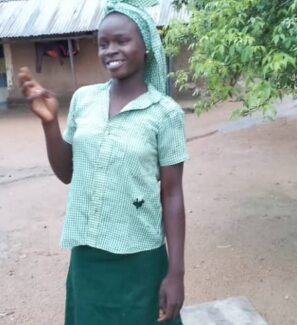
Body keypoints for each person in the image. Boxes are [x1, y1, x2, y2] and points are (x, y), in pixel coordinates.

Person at [18, 0, 187, 323]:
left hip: (140, 259)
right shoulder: (85, 99)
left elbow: (172, 194)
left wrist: (176, 273)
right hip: (87, 255)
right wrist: (49, 123)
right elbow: (67, 172)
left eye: (122, 40)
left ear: (147, 46)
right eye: (103, 43)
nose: (110, 50)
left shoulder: (165, 114)